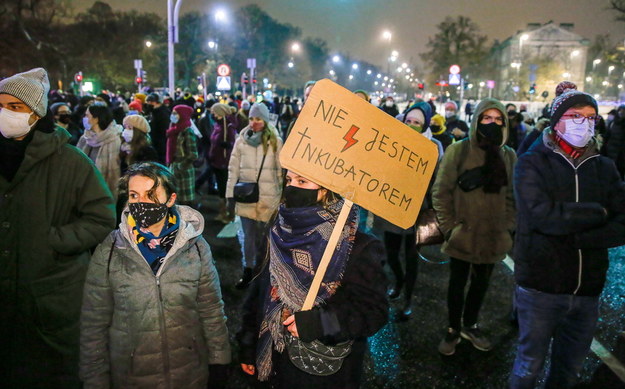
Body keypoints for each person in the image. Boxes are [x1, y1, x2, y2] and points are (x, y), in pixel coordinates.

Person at [0, 67, 116, 388]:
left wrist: (55, 241)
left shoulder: (71, 161)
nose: (4, 113)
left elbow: (101, 217)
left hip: (50, 297)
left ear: (35, 114)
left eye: (15, 107)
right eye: (0, 105)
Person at [510, 84, 625, 389]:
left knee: (568, 371)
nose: (583, 123)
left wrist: (582, 239)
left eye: (590, 117)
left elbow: (623, 220)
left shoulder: (604, 167)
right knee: (527, 368)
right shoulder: (532, 162)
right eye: (575, 115)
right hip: (540, 288)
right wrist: (598, 213)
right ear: (557, 120)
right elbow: (541, 215)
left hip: (587, 291)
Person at [80, 162, 231, 388]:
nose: (141, 203)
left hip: (188, 374)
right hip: (132, 377)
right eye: (134, 195)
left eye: (151, 195)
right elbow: (94, 321)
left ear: (170, 199)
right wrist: (94, 379)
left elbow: (211, 310)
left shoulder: (196, 248)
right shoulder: (110, 251)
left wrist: (219, 361)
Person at [237, 170, 388, 388]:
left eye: (302, 181)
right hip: (271, 363)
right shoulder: (277, 229)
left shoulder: (358, 246)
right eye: (289, 180)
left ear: (327, 189)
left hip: (320, 374)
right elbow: (257, 292)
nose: (291, 187)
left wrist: (320, 323)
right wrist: (248, 344)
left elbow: (372, 312)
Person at [432, 97, 516, 356]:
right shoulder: (459, 150)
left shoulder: (508, 156)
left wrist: (507, 227)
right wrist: (450, 229)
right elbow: (441, 191)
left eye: (498, 119)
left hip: (493, 235)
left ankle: (470, 324)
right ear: (477, 120)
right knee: (457, 283)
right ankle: (453, 328)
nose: (492, 123)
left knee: (482, 283)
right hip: (463, 234)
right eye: (487, 118)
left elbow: (513, 196)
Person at [382, 102, 443, 320]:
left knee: (412, 258)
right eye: (408, 121)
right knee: (390, 253)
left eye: (417, 123)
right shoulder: (394, 140)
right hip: (392, 207)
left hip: (418, 212)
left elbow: (438, 180)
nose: (411, 125)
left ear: (425, 124)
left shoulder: (434, 146)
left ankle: (408, 298)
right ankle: (398, 280)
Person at [226, 103, 283, 289]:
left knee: (267, 239)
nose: (254, 123)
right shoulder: (241, 140)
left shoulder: (275, 141)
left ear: (265, 120)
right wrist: (229, 195)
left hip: (269, 197)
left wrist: (283, 197)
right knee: (248, 237)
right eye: (251, 118)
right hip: (246, 197)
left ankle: (266, 273)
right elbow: (233, 169)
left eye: (258, 119)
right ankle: (248, 271)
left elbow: (281, 171)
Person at [77, 103, 123, 198]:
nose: (84, 118)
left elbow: (114, 175)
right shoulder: (85, 138)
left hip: (104, 192)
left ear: (96, 119)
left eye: (87, 115)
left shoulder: (114, 139)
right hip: (84, 190)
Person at [209, 103, 238, 222]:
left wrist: (227, 145)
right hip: (216, 160)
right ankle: (223, 212)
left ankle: (228, 213)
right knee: (221, 189)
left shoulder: (228, 126)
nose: (214, 115)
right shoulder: (218, 125)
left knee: (225, 189)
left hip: (223, 162)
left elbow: (233, 142)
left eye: (215, 113)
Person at [167, 104, 198, 207]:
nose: (173, 115)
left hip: (183, 171)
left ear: (183, 115)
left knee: (185, 202)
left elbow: (193, 154)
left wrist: (181, 166)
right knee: (175, 199)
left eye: (176, 113)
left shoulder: (187, 131)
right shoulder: (173, 129)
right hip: (174, 167)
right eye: (173, 113)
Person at [146, 92, 170, 164]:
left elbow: (163, 130)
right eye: (148, 102)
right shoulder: (154, 112)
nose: (149, 104)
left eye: (152, 102)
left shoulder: (163, 114)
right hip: (156, 143)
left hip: (161, 144)